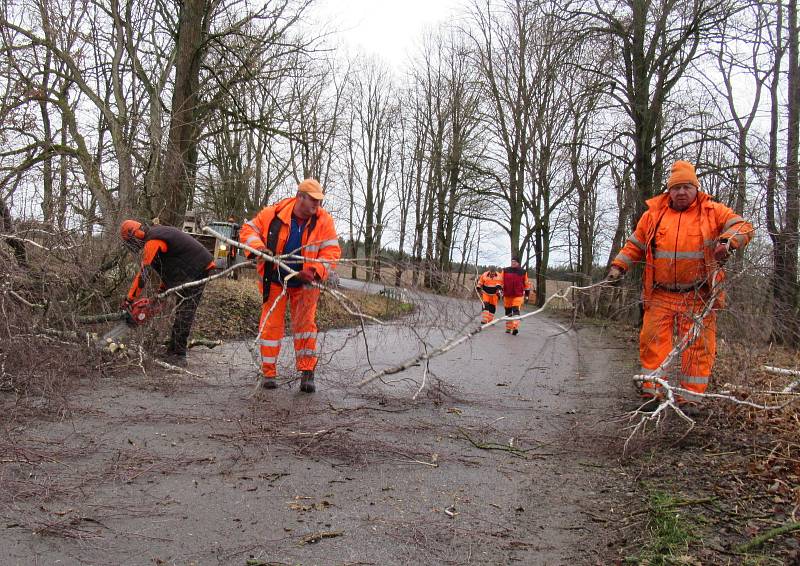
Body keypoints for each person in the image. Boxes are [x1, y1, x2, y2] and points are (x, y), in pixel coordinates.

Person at [607, 160, 752, 411]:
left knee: (698, 348)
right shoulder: (653, 214)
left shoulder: (712, 211)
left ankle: (690, 399)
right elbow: (635, 245)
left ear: (695, 188)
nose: (681, 192)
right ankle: (652, 394)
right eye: (676, 188)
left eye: (687, 187)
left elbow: (743, 226)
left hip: (698, 295)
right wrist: (618, 266)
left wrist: (728, 242)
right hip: (660, 293)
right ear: (669, 191)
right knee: (653, 343)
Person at [239, 178, 341, 393]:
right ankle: (268, 373)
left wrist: (313, 271)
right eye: (312, 200)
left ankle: (307, 373)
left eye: (319, 201)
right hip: (275, 280)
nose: (316, 205)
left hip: (305, 284)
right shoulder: (273, 214)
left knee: (305, 328)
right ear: (300, 197)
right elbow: (247, 231)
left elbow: (331, 253)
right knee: (271, 326)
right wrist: (260, 249)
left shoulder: (324, 221)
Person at [120, 220, 216, 364]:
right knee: (182, 310)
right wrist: (161, 291)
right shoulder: (157, 235)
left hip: (198, 267)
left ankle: (179, 354)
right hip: (191, 267)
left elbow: (143, 275)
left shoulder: (153, 240)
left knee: (185, 311)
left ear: (135, 235)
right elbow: (171, 265)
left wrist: (129, 299)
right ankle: (172, 350)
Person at [501, 257, 531, 335]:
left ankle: (515, 327)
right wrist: (499, 289)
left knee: (515, 309)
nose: (513, 263)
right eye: (512, 261)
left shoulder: (523, 272)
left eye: (515, 262)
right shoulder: (505, 270)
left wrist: (527, 294)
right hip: (507, 294)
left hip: (518, 294)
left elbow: (526, 283)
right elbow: (500, 280)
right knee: (508, 311)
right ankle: (508, 328)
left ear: (518, 263)